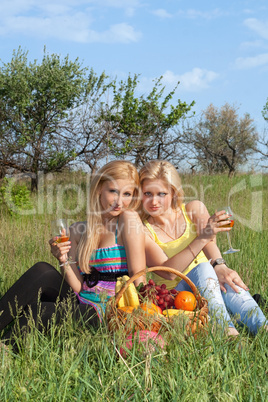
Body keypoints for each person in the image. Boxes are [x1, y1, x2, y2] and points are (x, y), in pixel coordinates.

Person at [0, 160, 145, 347]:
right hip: (83, 301)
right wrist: (63, 259)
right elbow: (78, 287)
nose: (119, 201)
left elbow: (138, 274)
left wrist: (143, 316)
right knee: (42, 270)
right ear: (99, 188)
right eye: (113, 191)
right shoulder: (78, 230)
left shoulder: (128, 221)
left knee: (41, 310)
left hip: (110, 313)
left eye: (127, 194)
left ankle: (4, 350)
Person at [139, 160, 267, 336]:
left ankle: (262, 327)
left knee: (227, 280)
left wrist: (221, 266)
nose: (154, 201)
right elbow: (168, 272)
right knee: (206, 267)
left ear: (173, 193)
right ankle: (226, 330)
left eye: (161, 193)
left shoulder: (193, 209)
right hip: (179, 298)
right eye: (147, 193)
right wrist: (203, 238)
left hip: (210, 286)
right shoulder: (142, 230)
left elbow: (210, 245)